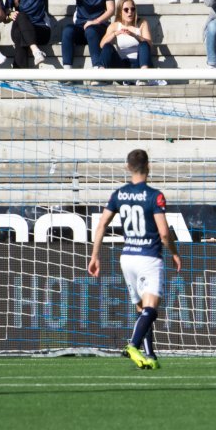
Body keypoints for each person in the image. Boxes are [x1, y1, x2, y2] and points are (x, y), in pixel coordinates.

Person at [88, 149, 183, 370]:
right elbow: (164, 233)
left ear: (127, 167)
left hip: (127, 257)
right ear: (148, 167)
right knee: (151, 308)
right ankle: (133, 344)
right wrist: (175, 253)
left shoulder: (119, 194)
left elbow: (102, 224)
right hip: (149, 257)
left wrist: (95, 255)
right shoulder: (154, 195)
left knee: (142, 310)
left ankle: (150, 355)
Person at [3, 0, 57, 68]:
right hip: (23, 28)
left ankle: (19, 75)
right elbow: (5, 15)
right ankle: (35, 50)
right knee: (20, 16)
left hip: (40, 31)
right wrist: (10, 14)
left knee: (20, 34)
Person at [98, 0, 156, 71]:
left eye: (132, 9)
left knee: (144, 44)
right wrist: (116, 33)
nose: (130, 12)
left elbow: (149, 44)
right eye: (126, 10)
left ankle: (144, 76)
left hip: (138, 64)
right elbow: (102, 45)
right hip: (121, 65)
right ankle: (100, 77)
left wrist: (134, 35)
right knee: (107, 47)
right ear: (120, 12)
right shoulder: (114, 26)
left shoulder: (142, 23)